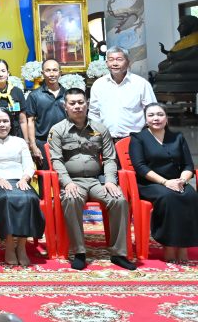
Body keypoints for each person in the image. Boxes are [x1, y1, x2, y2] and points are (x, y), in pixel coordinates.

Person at [47, 88, 136, 270]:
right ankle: (79, 252)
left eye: (81, 102)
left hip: (97, 181)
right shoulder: (57, 130)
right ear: (65, 106)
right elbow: (56, 159)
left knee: (118, 200)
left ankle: (118, 253)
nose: (77, 106)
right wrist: (67, 182)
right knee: (71, 200)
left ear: (87, 104)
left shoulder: (100, 129)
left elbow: (110, 158)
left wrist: (111, 180)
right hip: (73, 182)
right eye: (72, 103)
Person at [129, 103, 198, 263]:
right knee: (169, 197)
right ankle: (168, 244)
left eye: (160, 114)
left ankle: (183, 246)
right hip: (149, 184)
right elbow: (140, 167)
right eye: (151, 115)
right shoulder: (138, 138)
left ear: (166, 118)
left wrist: (181, 180)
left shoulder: (177, 137)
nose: (156, 118)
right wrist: (166, 182)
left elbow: (188, 165)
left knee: (191, 196)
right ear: (146, 120)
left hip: (177, 181)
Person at [0, 107, 45, 266]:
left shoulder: (20, 141)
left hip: (19, 180)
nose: (2, 125)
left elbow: (29, 165)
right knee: (7, 198)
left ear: (10, 123)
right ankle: (8, 245)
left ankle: (21, 246)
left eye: (5, 121)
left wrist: (25, 178)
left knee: (29, 198)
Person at [88, 46, 156, 140]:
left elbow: (152, 111)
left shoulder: (141, 84)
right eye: (111, 60)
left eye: (119, 59)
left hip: (135, 139)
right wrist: (96, 135)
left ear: (128, 62)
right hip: (107, 140)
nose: (115, 63)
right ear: (106, 63)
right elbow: (93, 113)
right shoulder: (98, 85)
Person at [24, 58, 66, 170]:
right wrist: (33, 145)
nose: (52, 74)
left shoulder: (67, 94)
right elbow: (30, 121)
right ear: (42, 73)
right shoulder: (34, 95)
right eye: (48, 70)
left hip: (66, 142)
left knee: (66, 177)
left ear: (60, 73)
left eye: (55, 70)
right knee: (45, 179)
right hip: (43, 142)